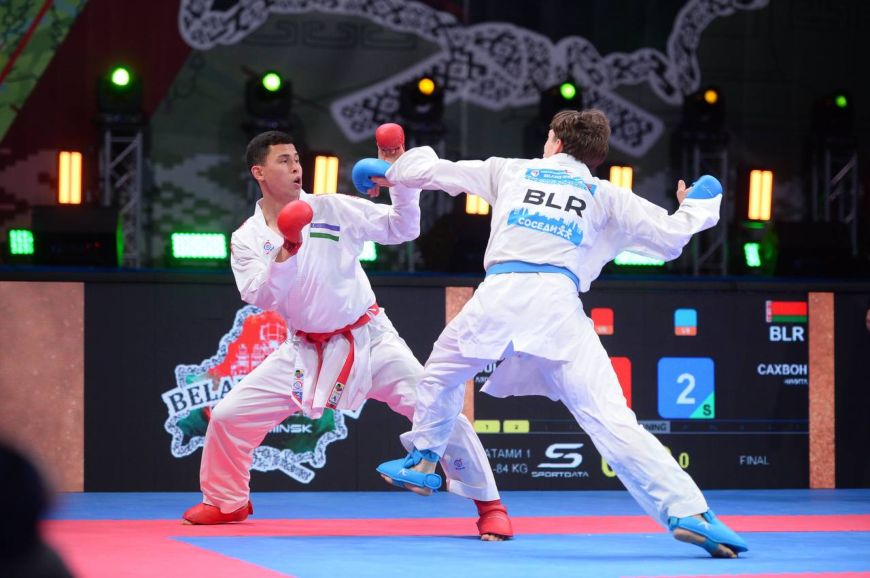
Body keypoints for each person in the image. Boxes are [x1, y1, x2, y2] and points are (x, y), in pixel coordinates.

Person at [374, 109, 748, 557]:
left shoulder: (512, 171)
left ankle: (424, 457)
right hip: (558, 309)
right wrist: (697, 204)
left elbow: (437, 172)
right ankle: (689, 512)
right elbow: (670, 239)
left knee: (440, 373)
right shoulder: (604, 193)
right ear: (596, 155)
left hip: (500, 295)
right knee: (612, 420)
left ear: (554, 140)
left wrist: (394, 166)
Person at [182, 131, 513, 541]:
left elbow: (401, 228)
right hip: (303, 349)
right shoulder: (247, 237)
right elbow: (259, 296)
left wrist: (399, 179)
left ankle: (491, 507)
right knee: (229, 418)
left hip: (369, 340)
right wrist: (287, 249)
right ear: (259, 172)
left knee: (438, 412)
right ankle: (227, 501)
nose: (296, 167)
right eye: (284, 160)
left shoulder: (331, 207)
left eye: (297, 159)